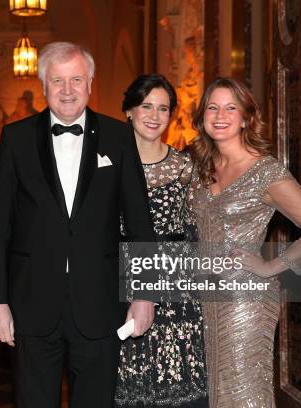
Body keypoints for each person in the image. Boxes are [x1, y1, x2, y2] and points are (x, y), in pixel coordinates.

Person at [0, 42, 156, 408]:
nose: (67, 90)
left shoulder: (118, 136)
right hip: (30, 302)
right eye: (58, 81)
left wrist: (144, 295)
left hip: (100, 300)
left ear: (90, 83)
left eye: (76, 79)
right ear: (44, 85)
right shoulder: (15, 139)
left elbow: (140, 223)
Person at [187, 77, 301, 407]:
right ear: (202, 116)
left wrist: (271, 267)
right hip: (203, 297)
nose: (220, 115)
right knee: (215, 391)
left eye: (230, 107)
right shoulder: (203, 168)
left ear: (245, 118)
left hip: (244, 298)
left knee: (244, 391)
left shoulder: (264, 171)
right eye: (212, 107)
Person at [115, 74, 208, 407]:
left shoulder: (186, 168)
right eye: (146, 106)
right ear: (129, 111)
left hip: (177, 289)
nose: (154, 116)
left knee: (178, 382)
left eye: (163, 109)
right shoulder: (107, 165)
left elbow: (200, 229)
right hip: (120, 284)